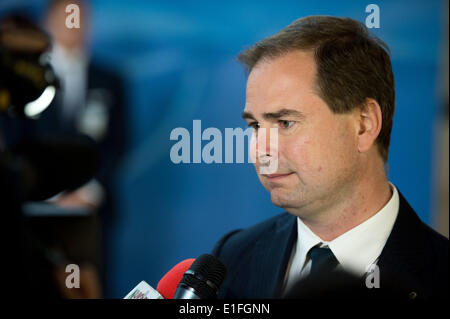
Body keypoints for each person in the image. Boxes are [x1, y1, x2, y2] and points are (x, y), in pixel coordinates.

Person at [212, 16, 448, 299]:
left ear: (364, 124)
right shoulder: (232, 258)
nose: (261, 150)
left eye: (285, 123)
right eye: (255, 126)